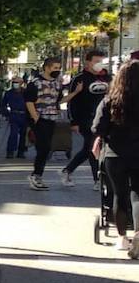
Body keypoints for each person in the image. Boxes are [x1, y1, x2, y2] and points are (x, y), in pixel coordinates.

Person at [91, 61, 139, 254]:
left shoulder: (110, 100)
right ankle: (138, 233)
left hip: (115, 153)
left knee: (119, 194)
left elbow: (97, 127)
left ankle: (122, 238)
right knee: (138, 194)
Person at [61, 49, 109, 190]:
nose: (99, 64)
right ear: (88, 62)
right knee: (93, 147)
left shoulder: (107, 78)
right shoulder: (79, 79)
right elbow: (72, 101)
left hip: (103, 118)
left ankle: (67, 170)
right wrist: (73, 121)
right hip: (85, 119)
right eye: (96, 61)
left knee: (89, 149)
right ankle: (97, 180)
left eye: (101, 61)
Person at [24, 56, 66, 190]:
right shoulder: (35, 83)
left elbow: (58, 100)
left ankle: (37, 175)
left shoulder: (57, 83)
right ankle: (36, 175)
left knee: (46, 148)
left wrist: (75, 93)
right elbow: (29, 101)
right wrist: (35, 117)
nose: (57, 70)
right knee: (43, 147)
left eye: (59, 68)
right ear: (47, 68)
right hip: (40, 119)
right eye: (55, 68)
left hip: (51, 118)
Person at [1, 77, 29, 159]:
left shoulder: (26, 93)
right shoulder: (9, 93)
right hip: (14, 115)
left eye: (17, 82)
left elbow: (30, 103)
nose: (15, 84)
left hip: (24, 115)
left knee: (23, 135)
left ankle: (21, 152)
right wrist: (7, 114)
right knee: (13, 133)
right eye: (14, 82)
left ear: (21, 83)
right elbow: (3, 105)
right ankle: (10, 151)